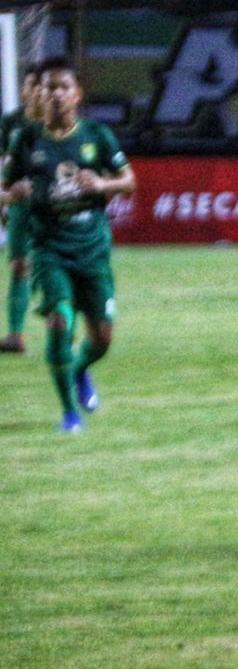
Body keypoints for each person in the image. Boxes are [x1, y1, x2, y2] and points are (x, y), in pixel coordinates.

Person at [0, 56, 137, 432]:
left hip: (92, 248)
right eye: (48, 88)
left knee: (102, 340)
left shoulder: (96, 136)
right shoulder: (25, 139)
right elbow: (3, 190)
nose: (56, 94)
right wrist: (12, 195)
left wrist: (103, 185)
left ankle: (79, 370)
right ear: (38, 95)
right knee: (60, 321)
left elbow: (129, 180)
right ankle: (69, 413)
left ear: (77, 94)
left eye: (63, 87)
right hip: (50, 248)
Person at [0, 64, 44, 353]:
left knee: (50, 265)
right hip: (19, 204)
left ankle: (63, 321)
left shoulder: (61, 123)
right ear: (23, 90)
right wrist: (5, 197)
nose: (38, 91)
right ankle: (16, 335)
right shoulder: (11, 123)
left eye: (44, 86)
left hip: (53, 206)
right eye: (33, 85)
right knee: (19, 265)